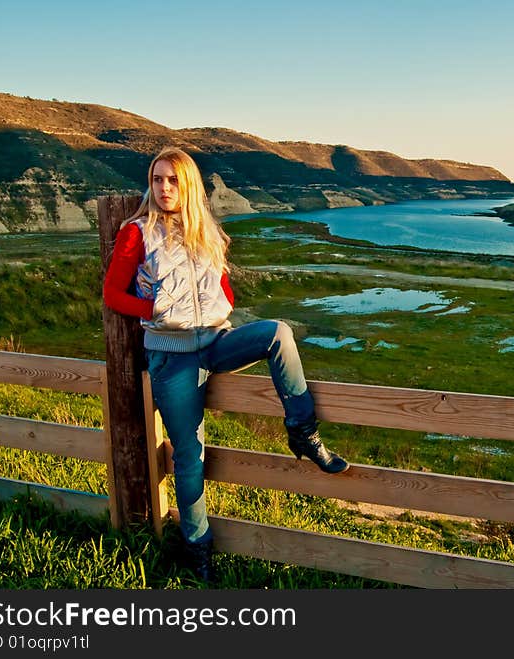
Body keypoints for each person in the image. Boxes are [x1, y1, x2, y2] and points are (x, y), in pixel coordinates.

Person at [102, 146, 348, 584]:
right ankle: (197, 548)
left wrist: (219, 309)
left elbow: (225, 289)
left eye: (172, 180)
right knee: (190, 456)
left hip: (216, 342)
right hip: (172, 357)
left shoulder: (207, 232)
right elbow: (113, 295)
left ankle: (304, 433)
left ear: (189, 184)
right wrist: (155, 308)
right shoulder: (136, 233)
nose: (163, 188)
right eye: (157, 179)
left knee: (278, 334)